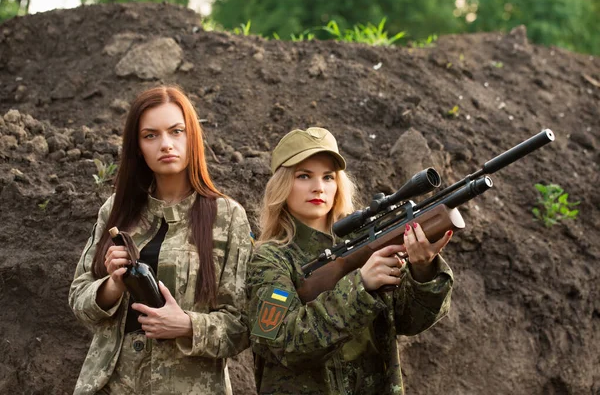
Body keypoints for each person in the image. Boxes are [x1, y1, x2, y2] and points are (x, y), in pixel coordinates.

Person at [69, 86, 252, 394]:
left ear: (192, 136)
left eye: (176, 131)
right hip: (111, 384)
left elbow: (243, 324)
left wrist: (187, 325)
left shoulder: (228, 217)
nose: (165, 144)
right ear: (137, 146)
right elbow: (78, 299)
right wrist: (112, 285)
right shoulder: (116, 211)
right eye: (150, 135)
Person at [247, 127, 454, 394]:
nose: (318, 187)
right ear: (282, 185)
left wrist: (423, 269)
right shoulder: (270, 260)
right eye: (304, 176)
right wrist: (361, 286)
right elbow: (282, 343)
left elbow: (410, 322)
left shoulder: (368, 242)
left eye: (328, 177)